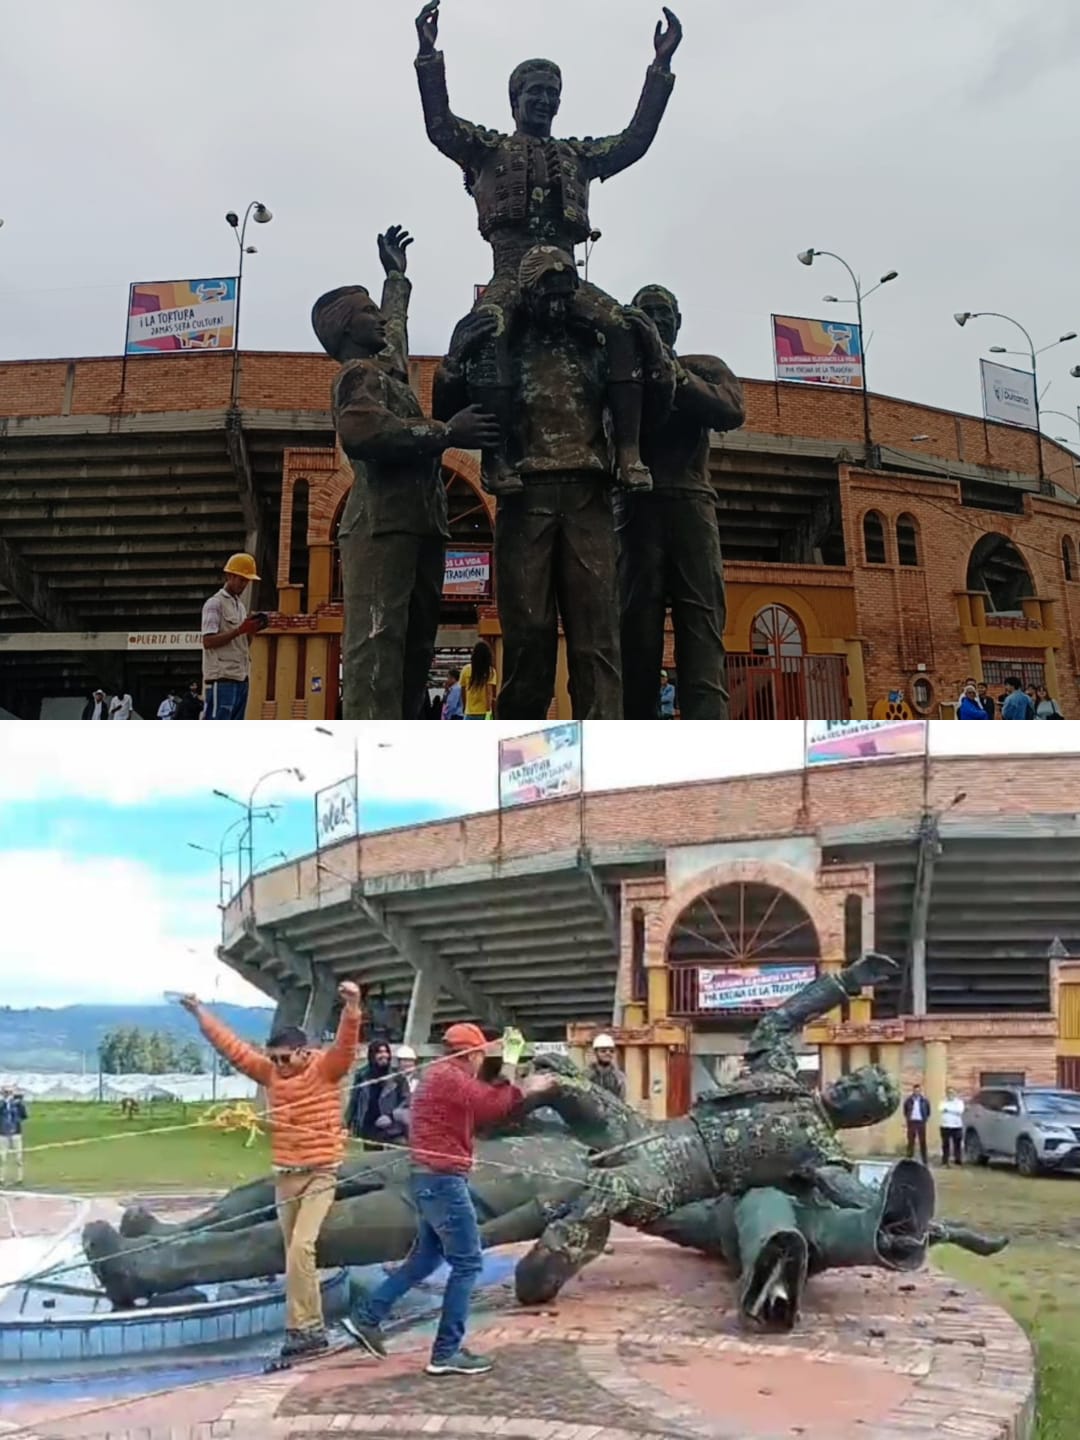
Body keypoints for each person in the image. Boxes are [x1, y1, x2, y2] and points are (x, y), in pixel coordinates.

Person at [413, 0, 682, 495]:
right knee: (490, 329)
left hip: (566, 273)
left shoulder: (577, 154)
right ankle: (496, 461)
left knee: (622, 327)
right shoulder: (488, 149)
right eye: (535, 92)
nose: (544, 101)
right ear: (514, 99)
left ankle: (627, 452)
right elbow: (440, 126)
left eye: (552, 94)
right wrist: (429, 58)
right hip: (511, 269)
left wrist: (660, 68)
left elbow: (634, 140)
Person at [313, 225, 498, 720]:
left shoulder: (383, 368)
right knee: (377, 644)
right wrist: (446, 431)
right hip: (380, 527)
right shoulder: (356, 377)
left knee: (415, 648)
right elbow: (364, 435)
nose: (381, 320)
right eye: (369, 313)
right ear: (348, 331)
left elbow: (396, 329)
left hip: (421, 525)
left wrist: (396, 279)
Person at [345, 1022, 557, 1376]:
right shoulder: (453, 1078)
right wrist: (524, 1082)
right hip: (442, 1180)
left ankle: (367, 1317)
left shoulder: (440, 1075)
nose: (479, 1062)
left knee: (425, 1260)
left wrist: (509, 1070)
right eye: (480, 1056)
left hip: (429, 1178)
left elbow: (481, 1106)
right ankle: (446, 1351)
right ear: (472, 1053)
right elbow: (495, 1106)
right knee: (468, 1263)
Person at [178, 981, 361, 1363]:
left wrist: (352, 1007)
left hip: (320, 1174)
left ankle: (305, 1330)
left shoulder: (326, 1069)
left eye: (283, 1058)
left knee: (301, 1248)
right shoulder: (271, 1074)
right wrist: (200, 1014)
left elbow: (345, 1045)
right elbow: (233, 1049)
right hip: (286, 1176)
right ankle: (308, 1327)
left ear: (303, 1052)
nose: (276, 1066)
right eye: (272, 1058)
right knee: (292, 1254)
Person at [618, 282, 745, 720]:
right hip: (636, 508)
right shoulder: (623, 373)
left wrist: (670, 370)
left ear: (678, 322)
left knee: (702, 622)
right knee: (635, 626)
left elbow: (731, 410)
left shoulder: (704, 366)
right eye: (647, 312)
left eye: (664, 312)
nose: (658, 319)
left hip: (692, 504)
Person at [201, 554, 268, 720]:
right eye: (241, 579)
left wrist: (251, 630)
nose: (244, 584)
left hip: (241, 678)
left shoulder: (240, 607)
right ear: (229, 576)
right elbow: (208, 641)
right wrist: (239, 630)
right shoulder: (214, 604)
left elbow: (243, 642)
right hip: (222, 679)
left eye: (247, 580)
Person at [345, 1041, 409, 1146]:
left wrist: (391, 1116)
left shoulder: (398, 1077)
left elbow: (406, 1101)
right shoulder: (362, 1075)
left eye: (386, 1052)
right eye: (379, 1052)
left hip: (391, 1128)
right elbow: (354, 1100)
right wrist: (347, 1124)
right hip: (368, 1128)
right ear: (372, 1055)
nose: (384, 1055)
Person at [459, 641, 497, 719]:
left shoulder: (466, 669)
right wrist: (488, 709)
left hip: (468, 712)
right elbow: (489, 693)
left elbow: (463, 691)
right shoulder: (490, 671)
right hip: (483, 712)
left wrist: (464, 707)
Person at [0, 1087, 28, 1186]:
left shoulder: (17, 1104)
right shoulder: (2, 1104)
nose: (7, 1095)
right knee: (2, 1157)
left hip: (16, 1132)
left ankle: (19, 1178)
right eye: (5, 1093)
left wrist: (19, 1105)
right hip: (3, 1133)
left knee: (18, 1156)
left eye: (9, 1093)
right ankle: (1, 1178)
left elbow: (24, 1116)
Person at [391, 1043, 420, 1132]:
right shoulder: (392, 1079)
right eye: (404, 1061)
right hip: (396, 1117)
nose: (407, 1064)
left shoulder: (421, 1078)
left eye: (410, 1061)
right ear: (399, 1063)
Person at [587, 1034, 626, 1101]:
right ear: (595, 1052)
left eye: (611, 1051)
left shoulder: (619, 1077)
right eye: (603, 1051)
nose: (608, 1053)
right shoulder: (586, 1075)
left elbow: (622, 1099)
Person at [903, 1083, 931, 1164]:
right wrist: (908, 1118)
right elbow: (905, 1110)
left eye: (918, 1091)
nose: (917, 1092)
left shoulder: (924, 1100)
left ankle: (924, 1159)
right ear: (913, 1091)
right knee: (911, 1141)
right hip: (912, 1122)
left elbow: (928, 1111)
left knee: (922, 1141)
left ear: (920, 1091)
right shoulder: (909, 1100)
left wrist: (924, 1118)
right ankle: (909, 1158)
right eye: (915, 1091)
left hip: (921, 1122)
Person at [939, 1087, 964, 1166]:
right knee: (945, 1144)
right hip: (945, 1125)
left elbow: (960, 1111)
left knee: (957, 1144)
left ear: (955, 1094)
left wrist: (948, 1110)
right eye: (948, 1092)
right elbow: (941, 1109)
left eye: (952, 1092)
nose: (950, 1094)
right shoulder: (943, 1102)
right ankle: (945, 1160)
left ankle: (958, 1160)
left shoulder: (959, 1102)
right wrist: (953, 1110)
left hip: (956, 1126)